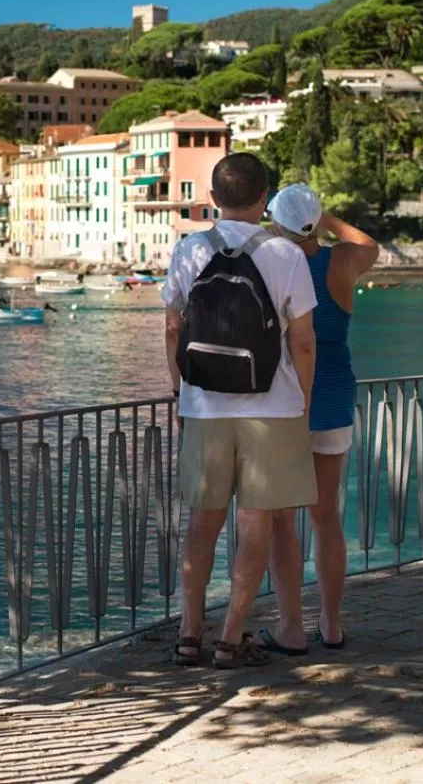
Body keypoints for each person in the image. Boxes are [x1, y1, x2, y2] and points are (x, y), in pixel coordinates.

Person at [163, 153, 318, 668]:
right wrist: (304, 401)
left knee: (203, 520)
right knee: (255, 520)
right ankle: (230, 637)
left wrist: (181, 392)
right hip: (272, 409)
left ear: (212, 199)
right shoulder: (286, 253)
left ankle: (189, 632)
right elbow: (304, 342)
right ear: (264, 199)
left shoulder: (189, 249)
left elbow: (171, 329)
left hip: (204, 406)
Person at [261, 184, 378, 652]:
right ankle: (331, 625)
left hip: (287, 402)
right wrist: (325, 218)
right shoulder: (342, 262)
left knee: (281, 521)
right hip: (333, 399)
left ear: (279, 224)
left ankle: (290, 627)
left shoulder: (273, 264)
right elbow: (370, 246)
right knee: (326, 515)